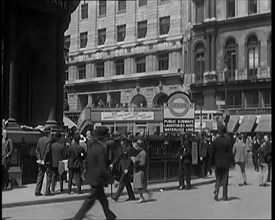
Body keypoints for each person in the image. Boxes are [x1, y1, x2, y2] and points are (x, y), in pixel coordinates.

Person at [73, 126, 116, 220]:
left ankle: (110, 216)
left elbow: (87, 163)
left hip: (93, 177)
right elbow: (101, 167)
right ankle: (77, 217)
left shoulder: (93, 147)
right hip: (97, 178)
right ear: (104, 137)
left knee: (103, 199)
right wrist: (111, 179)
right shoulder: (100, 149)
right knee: (90, 201)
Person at [211, 124, 234, 201]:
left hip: (217, 163)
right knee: (225, 179)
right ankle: (224, 196)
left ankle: (216, 191)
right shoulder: (228, 141)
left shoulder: (215, 142)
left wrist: (211, 164)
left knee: (218, 178)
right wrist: (232, 163)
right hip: (225, 163)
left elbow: (212, 153)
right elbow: (230, 153)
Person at [110, 136, 136, 202]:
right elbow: (118, 157)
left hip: (126, 169)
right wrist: (112, 163)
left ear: (125, 142)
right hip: (122, 168)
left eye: (122, 141)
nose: (121, 142)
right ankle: (131, 196)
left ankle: (116, 197)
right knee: (127, 183)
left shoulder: (129, 149)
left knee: (121, 182)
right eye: (121, 141)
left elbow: (129, 160)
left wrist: (127, 168)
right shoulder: (121, 149)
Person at [130, 137, 152, 203]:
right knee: (140, 185)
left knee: (139, 185)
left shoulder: (143, 153)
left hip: (140, 171)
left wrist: (135, 161)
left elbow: (142, 163)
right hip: (138, 171)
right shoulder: (141, 152)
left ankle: (141, 197)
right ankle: (145, 194)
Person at [34, 126, 53, 196]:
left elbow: (37, 150)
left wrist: (39, 158)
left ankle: (37, 190)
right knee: (48, 176)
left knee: (40, 175)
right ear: (49, 133)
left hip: (40, 161)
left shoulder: (40, 140)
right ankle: (47, 191)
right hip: (47, 162)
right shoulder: (48, 141)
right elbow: (47, 151)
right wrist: (44, 160)